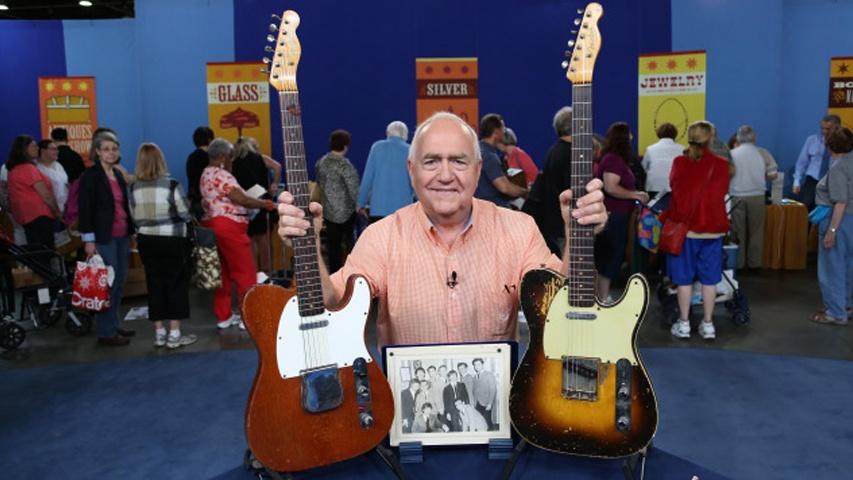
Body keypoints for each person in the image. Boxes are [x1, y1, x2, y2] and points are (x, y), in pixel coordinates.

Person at [277, 111, 607, 348]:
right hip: (406, 429)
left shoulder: (518, 230)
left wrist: (580, 240)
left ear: (478, 171)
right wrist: (307, 246)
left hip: (497, 422)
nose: (445, 175)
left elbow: (561, 307)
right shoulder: (381, 237)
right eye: (431, 161)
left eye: (459, 161)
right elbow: (332, 303)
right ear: (412, 170)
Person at [663, 121, 730, 340]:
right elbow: (721, 192)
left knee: (683, 280)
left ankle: (684, 324)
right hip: (713, 229)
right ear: (711, 138)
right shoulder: (721, 164)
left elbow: (675, 189)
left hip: (686, 230)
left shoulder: (680, 163)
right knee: (710, 279)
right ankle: (708, 324)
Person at [200, 138, 275, 330]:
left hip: (211, 226)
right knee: (245, 273)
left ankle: (224, 316)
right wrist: (265, 203)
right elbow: (240, 198)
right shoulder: (222, 175)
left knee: (223, 275)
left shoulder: (205, 173)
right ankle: (247, 317)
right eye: (231, 157)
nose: (232, 161)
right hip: (230, 227)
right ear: (223, 157)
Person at [128, 143, 197, 349]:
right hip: (173, 239)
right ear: (161, 160)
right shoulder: (171, 184)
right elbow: (185, 214)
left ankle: (159, 333)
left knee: (154, 284)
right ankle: (174, 334)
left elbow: (133, 216)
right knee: (176, 284)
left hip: (146, 240)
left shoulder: (132, 187)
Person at [78, 132, 135, 346]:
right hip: (103, 237)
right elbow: (86, 210)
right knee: (107, 285)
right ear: (98, 152)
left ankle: (113, 324)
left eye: (114, 149)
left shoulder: (118, 175)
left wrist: (131, 231)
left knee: (119, 282)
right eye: (106, 149)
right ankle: (105, 332)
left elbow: (122, 207)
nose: (111, 153)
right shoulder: (90, 176)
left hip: (122, 235)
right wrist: (89, 240)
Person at [596, 122, 649, 303]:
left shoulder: (615, 159)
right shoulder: (613, 160)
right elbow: (611, 187)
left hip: (619, 215)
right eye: (630, 134)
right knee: (610, 256)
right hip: (614, 216)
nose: (632, 137)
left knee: (611, 255)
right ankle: (602, 297)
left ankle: (602, 295)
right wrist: (636, 194)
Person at [810, 126, 853, 326]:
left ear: (829, 147)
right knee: (847, 265)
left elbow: (840, 201)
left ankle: (835, 312)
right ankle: (844, 305)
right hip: (851, 222)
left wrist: (832, 231)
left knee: (831, 266)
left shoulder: (838, 168)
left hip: (839, 220)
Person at [523, 106, 573, 255]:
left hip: (552, 223)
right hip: (564, 226)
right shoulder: (572, 155)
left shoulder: (553, 151)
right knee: (571, 273)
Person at [729, 125, 778, 270]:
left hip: (737, 196)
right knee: (756, 231)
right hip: (757, 196)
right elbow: (773, 175)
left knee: (738, 231)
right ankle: (754, 264)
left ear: (738, 138)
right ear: (754, 138)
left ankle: (738, 263)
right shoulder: (763, 153)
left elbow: (725, 175)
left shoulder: (731, 154)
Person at [232, 137, 282, 274]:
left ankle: (254, 276)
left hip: (244, 203)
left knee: (250, 240)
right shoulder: (261, 158)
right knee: (264, 239)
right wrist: (274, 184)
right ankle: (267, 273)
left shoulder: (233, 162)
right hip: (262, 202)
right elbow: (277, 167)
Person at [6, 135, 62, 252]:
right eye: (33, 146)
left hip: (27, 218)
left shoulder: (14, 169)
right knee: (45, 252)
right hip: (40, 216)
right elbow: (45, 195)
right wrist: (57, 212)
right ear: (24, 149)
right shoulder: (28, 168)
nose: (37, 148)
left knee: (37, 252)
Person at [315, 129, 360, 273]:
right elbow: (353, 188)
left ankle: (335, 276)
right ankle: (351, 274)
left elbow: (319, 184)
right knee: (350, 246)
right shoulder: (344, 165)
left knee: (333, 247)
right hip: (347, 212)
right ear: (346, 145)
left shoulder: (321, 162)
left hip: (328, 212)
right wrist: (360, 206)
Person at [357, 121, 414, 224]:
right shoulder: (410, 150)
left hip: (379, 208)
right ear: (405, 134)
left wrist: (360, 203)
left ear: (387, 132)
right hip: (404, 210)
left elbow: (368, 178)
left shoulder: (377, 147)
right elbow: (415, 181)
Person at [474, 113, 527, 207]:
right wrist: (524, 192)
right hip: (495, 210)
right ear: (496, 131)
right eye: (503, 128)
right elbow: (504, 187)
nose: (504, 131)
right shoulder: (489, 156)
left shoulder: (478, 150)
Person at [794, 115, 842, 211]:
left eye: (828, 129)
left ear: (837, 128)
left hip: (832, 181)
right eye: (822, 128)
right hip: (812, 180)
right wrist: (796, 181)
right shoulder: (812, 140)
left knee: (825, 210)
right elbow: (802, 162)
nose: (824, 131)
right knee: (806, 208)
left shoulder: (843, 143)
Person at [642, 122, 684, 198]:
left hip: (653, 187)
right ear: (675, 134)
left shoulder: (650, 149)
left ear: (659, 133)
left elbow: (643, 168)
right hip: (676, 188)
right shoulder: (682, 149)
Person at [186, 127, 214, 221]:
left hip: (194, 200)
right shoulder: (210, 158)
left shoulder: (191, 157)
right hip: (208, 201)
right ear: (210, 140)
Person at [36, 139, 69, 214]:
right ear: (43, 151)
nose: (57, 151)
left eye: (57, 149)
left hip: (65, 207)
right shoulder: (38, 169)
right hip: (50, 210)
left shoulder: (58, 165)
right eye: (53, 149)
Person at [471, 357, 497, 430]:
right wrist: (474, 403)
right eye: (475, 365)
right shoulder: (474, 377)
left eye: (478, 364)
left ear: (482, 365)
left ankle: (491, 436)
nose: (477, 366)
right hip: (477, 403)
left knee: (487, 422)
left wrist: (490, 403)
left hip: (486, 403)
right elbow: (474, 391)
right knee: (480, 422)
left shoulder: (489, 375)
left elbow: (493, 389)